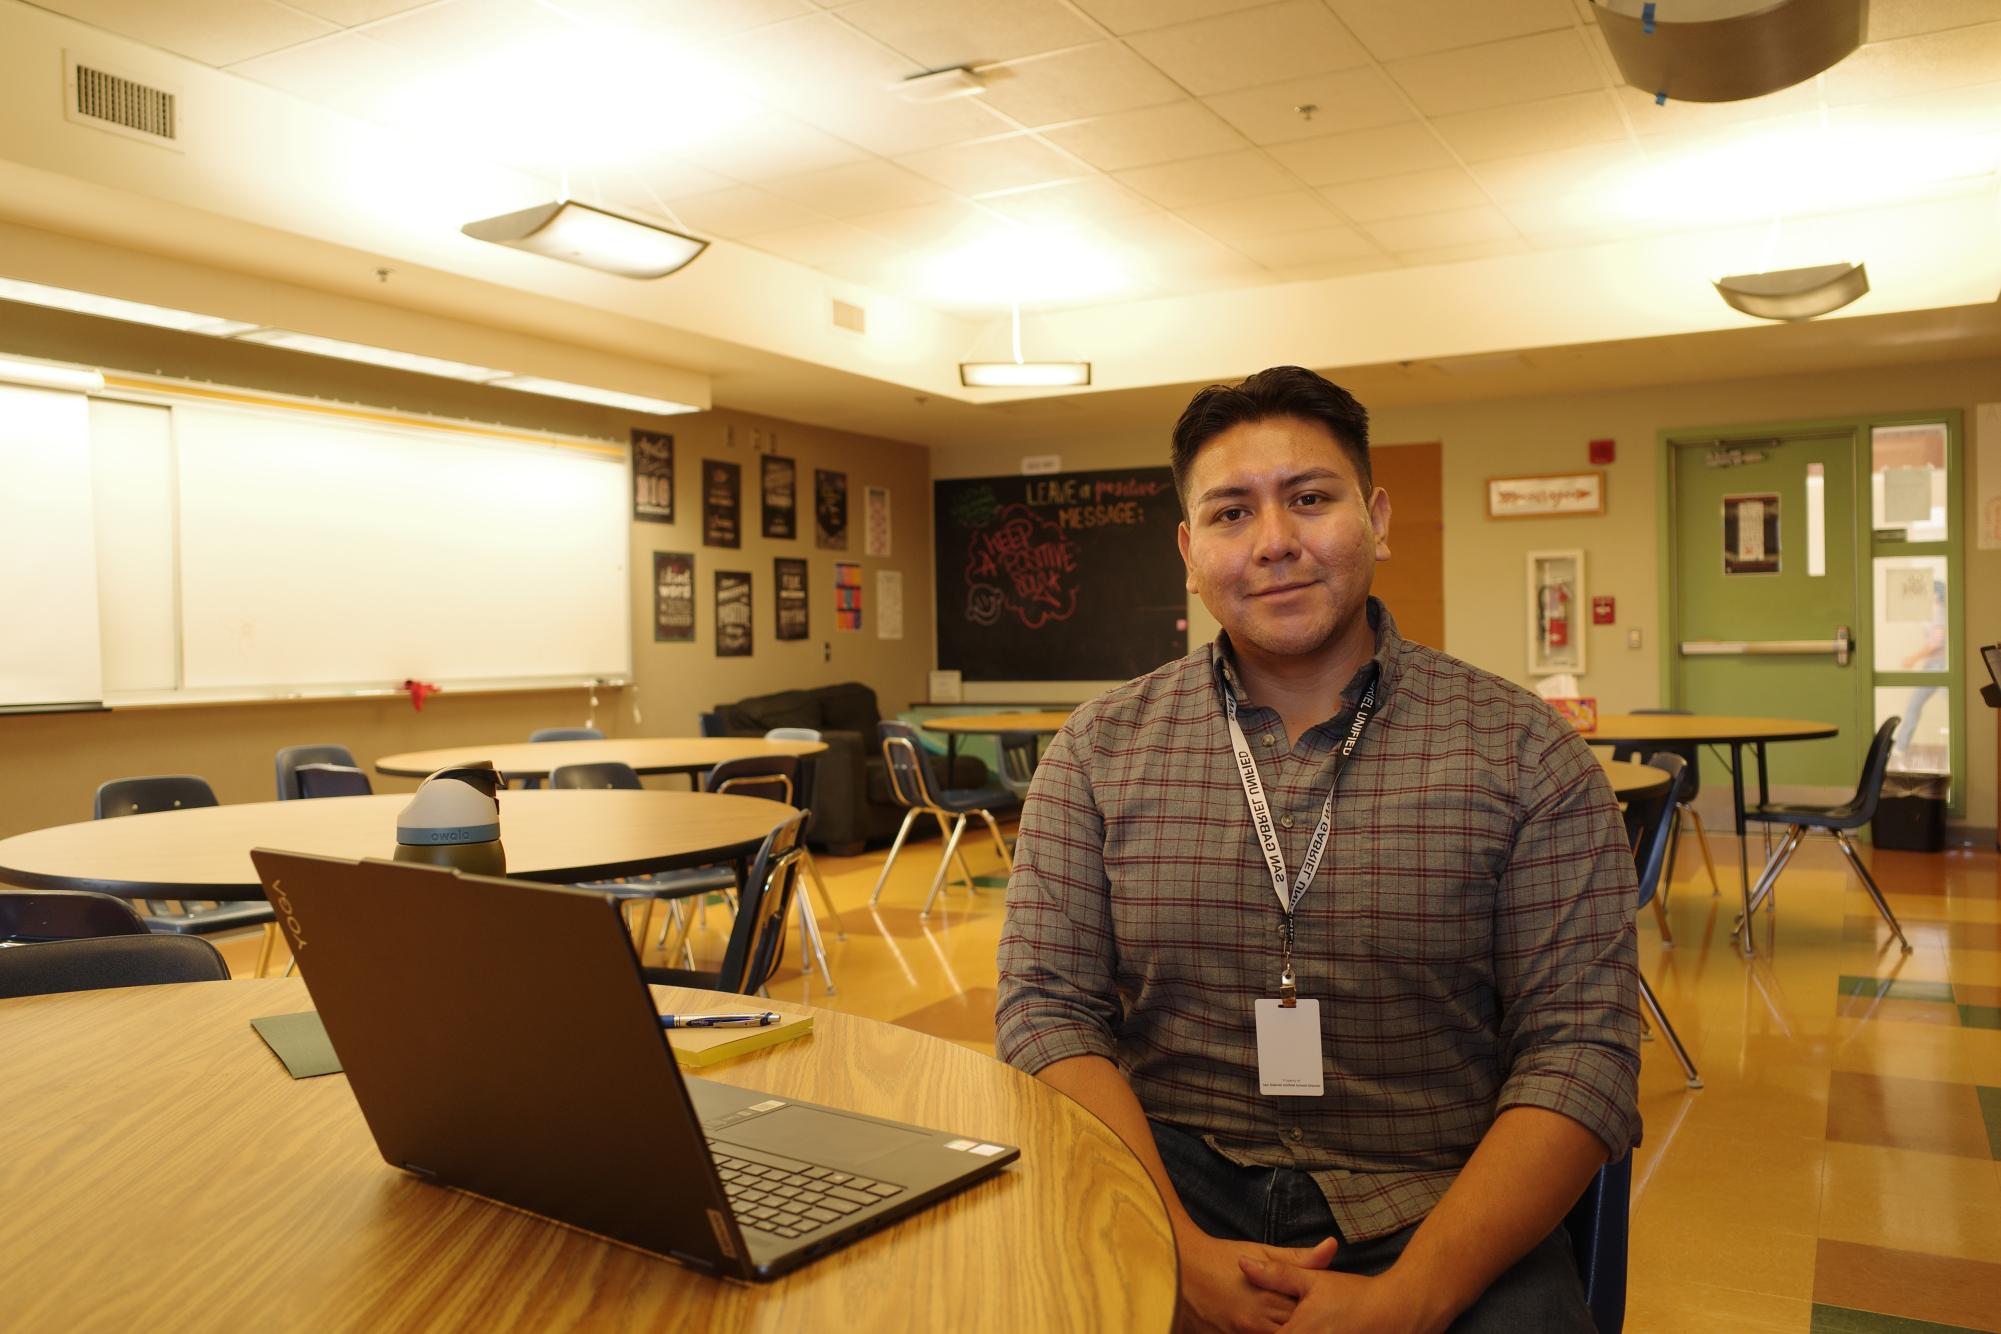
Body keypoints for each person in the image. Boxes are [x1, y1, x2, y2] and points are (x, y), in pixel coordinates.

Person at [996, 366, 1640, 1333]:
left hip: (1437, 1200)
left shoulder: (1525, 755)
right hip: (1162, 1181)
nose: (1275, 543)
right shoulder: (1097, 751)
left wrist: (1409, 1300)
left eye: (1309, 498)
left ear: (1375, 518)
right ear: (1187, 549)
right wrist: (1171, 1243)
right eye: (1229, 513)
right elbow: (1047, 1012)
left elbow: (1580, 1053)